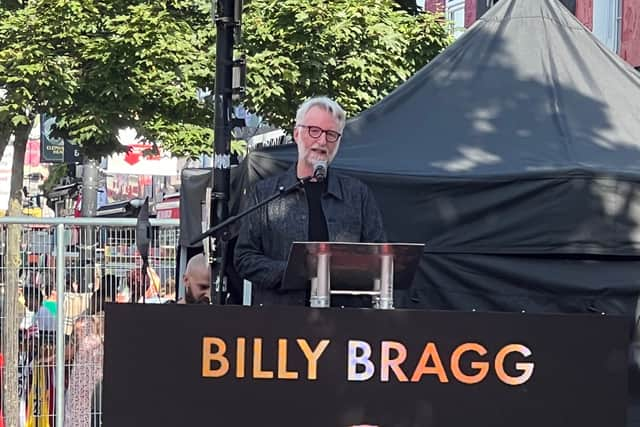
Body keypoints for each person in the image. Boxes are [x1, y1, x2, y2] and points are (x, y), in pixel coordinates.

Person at [234, 96, 386, 306]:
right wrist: (294, 271)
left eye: (331, 134)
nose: (322, 141)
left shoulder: (357, 195)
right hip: (282, 323)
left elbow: (379, 259)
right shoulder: (265, 194)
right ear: (297, 134)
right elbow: (244, 258)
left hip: (344, 322)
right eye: (314, 131)